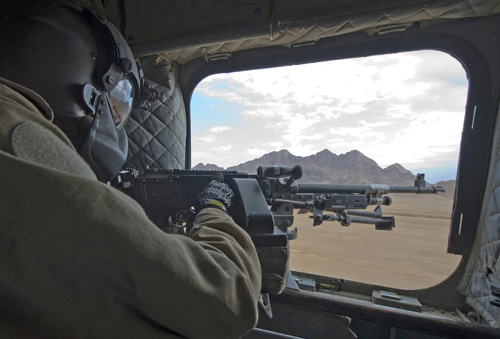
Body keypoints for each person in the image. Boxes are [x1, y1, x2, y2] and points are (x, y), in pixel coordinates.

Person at [0, 1, 261, 338]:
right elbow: (226, 300)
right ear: (74, 70)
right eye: (118, 98)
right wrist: (214, 210)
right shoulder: (20, 142)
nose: (116, 119)